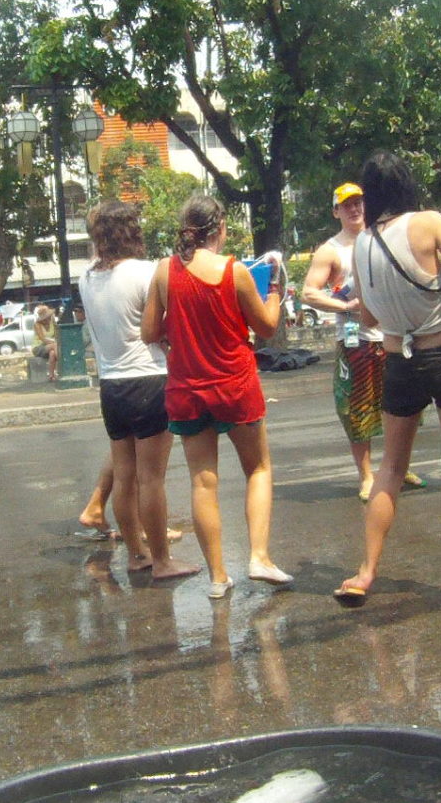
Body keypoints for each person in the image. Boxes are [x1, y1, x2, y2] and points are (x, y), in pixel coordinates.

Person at [334, 151, 441, 609]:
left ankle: (366, 572)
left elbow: (368, 314)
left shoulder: (361, 243)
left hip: (399, 358)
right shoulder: (429, 222)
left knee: (390, 469)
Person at [141, 191, 289, 598]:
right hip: (235, 384)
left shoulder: (164, 272)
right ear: (219, 228)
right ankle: (258, 556)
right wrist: (275, 289)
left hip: (187, 388)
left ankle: (218, 577)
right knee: (257, 468)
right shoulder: (234, 271)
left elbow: (149, 332)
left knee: (202, 482)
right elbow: (268, 328)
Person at [79, 199, 197, 579]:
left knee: (125, 478)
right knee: (151, 479)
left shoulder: (86, 278)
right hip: (148, 379)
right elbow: (165, 327)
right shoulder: (148, 272)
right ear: (131, 231)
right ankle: (162, 560)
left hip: (110, 387)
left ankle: (136, 554)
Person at [302, 181, 422, 504]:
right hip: (357, 341)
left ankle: (397, 466)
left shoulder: (382, 237)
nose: (355, 209)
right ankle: (367, 475)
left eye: (359, 203)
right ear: (336, 211)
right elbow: (309, 292)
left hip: (395, 335)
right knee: (357, 409)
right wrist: (345, 306)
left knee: (403, 405)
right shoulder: (331, 250)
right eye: (347, 205)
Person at [32, 303, 61, 381]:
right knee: (55, 345)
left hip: (50, 345)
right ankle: (62, 366)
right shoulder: (37, 325)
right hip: (39, 347)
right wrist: (53, 342)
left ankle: (51, 375)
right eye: (45, 318)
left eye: (48, 317)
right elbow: (43, 339)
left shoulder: (52, 322)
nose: (47, 320)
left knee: (52, 353)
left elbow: (56, 334)